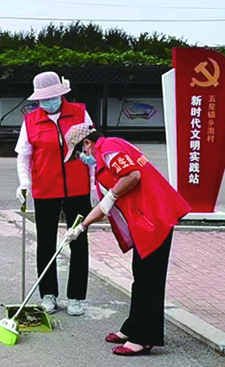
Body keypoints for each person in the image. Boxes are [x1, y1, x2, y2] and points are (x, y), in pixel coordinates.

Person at [63, 124, 191, 356]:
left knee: (150, 278)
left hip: (155, 217)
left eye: (80, 152)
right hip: (145, 220)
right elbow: (104, 206)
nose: (83, 158)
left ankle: (144, 338)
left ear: (87, 143)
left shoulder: (109, 148)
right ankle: (133, 327)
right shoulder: (106, 153)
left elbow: (133, 175)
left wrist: (113, 194)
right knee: (140, 275)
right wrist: (80, 228)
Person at [14, 71, 94, 316]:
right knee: (46, 242)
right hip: (45, 188)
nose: (50, 102)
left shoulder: (80, 114)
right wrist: (24, 182)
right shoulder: (31, 121)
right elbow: (24, 155)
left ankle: (76, 297)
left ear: (62, 94)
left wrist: (94, 186)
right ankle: (48, 294)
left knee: (78, 241)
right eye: (44, 99)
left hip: (78, 188)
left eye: (54, 97)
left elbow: (92, 151)